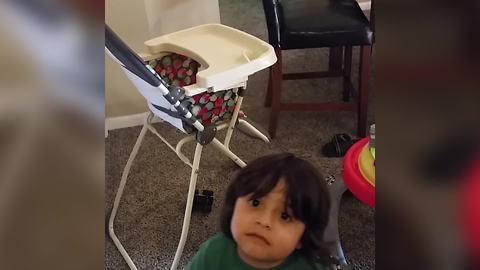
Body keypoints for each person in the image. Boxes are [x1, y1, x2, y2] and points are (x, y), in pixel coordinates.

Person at [187, 153, 332, 270]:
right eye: (255, 203)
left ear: (304, 236)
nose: (264, 221)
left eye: (285, 216)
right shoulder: (213, 253)